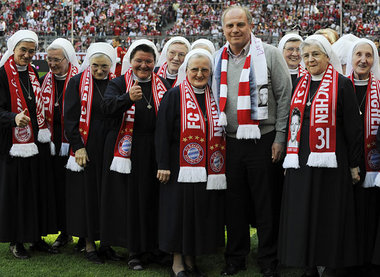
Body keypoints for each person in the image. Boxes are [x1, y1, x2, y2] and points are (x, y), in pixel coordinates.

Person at [212, 6, 292, 277]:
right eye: (229, 26)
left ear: (250, 25)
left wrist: (280, 137)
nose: (235, 30)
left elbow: (284, 97)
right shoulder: (217, 57)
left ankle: (269, 260)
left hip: (264, 140)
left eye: (240, 24)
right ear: (223, 29)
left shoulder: (268, 53)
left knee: (265, 203)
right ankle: (236, 258)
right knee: (233, 203)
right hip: (230, 141)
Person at [279, 34, 362, 277]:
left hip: (333, 160)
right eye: (306, 55)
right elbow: (292, 121)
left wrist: (354, 164)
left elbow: (353, 129)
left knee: (329, 212)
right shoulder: (300, 84)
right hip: (301, 159)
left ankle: (331, 263)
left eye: (315, 54)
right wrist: (290, 156)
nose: (310, 59)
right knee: (304, 210)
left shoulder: (342, 84)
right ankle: (308, 263)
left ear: (328, 56)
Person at [101, 39, 171, 270]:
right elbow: (106, 109)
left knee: (153, 198)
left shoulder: (162, 85)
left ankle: (154, 247)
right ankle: (134, 251)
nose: (143, 66)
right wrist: (127, 98)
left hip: (154, 148)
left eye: (148, 61)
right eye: (139, 61)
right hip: (127, 148)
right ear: (130, 62)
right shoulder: (119, 83)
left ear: (155, 62)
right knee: (133, 200)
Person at [156, 49, 226, 277]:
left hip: (208, 167)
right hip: (178, 168)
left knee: (198, 214)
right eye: (194, 69)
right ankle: (177, 263)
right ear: (186, 71)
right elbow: (162, 133)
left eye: (204, 70)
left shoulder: (216, 97)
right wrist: (163, 164)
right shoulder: (173, 95)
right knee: (179, 213)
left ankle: (191, 259)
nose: (199, 74)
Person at [0, 30, 56, 259]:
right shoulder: (2, 76)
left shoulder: (34, 72)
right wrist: (13, 118)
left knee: (35, 190)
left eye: (32, 51)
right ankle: (16, 240)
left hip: (36, 141)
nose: (27, 55)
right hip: (13, 144)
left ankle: (36, 237)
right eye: (23, 50)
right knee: (18, 192)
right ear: (13, 49)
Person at [64, 42, 117, 264]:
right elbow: (70, 119)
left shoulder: (116, 82)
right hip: (87, 142)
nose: (99, 70)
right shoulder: (77, 82)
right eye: (95, 65)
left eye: (104, 66)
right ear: (89, 63)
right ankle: (88, 244)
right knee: (88, 194)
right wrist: (78, 147)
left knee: (107, 194)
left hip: (110, 143)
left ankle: (105, 243)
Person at [40, 38, 80, 250]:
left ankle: (82, 235)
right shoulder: (43, 80)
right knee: (58, 189)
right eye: (49, 59)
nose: (53, 64)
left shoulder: (80, 80)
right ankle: (64, 233)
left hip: (75, 144)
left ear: (68, 59)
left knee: (77, 190)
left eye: (57, 60)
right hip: (53, 145)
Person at [345, 38, 380, 276]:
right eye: (359, 54)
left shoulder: (379, 87)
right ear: (351, 58)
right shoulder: (340, 86)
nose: (363, 60)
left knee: (370, 213)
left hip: (373, 163)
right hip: (347, 162)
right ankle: (348, 260)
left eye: (368, 55)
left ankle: (369, 260)